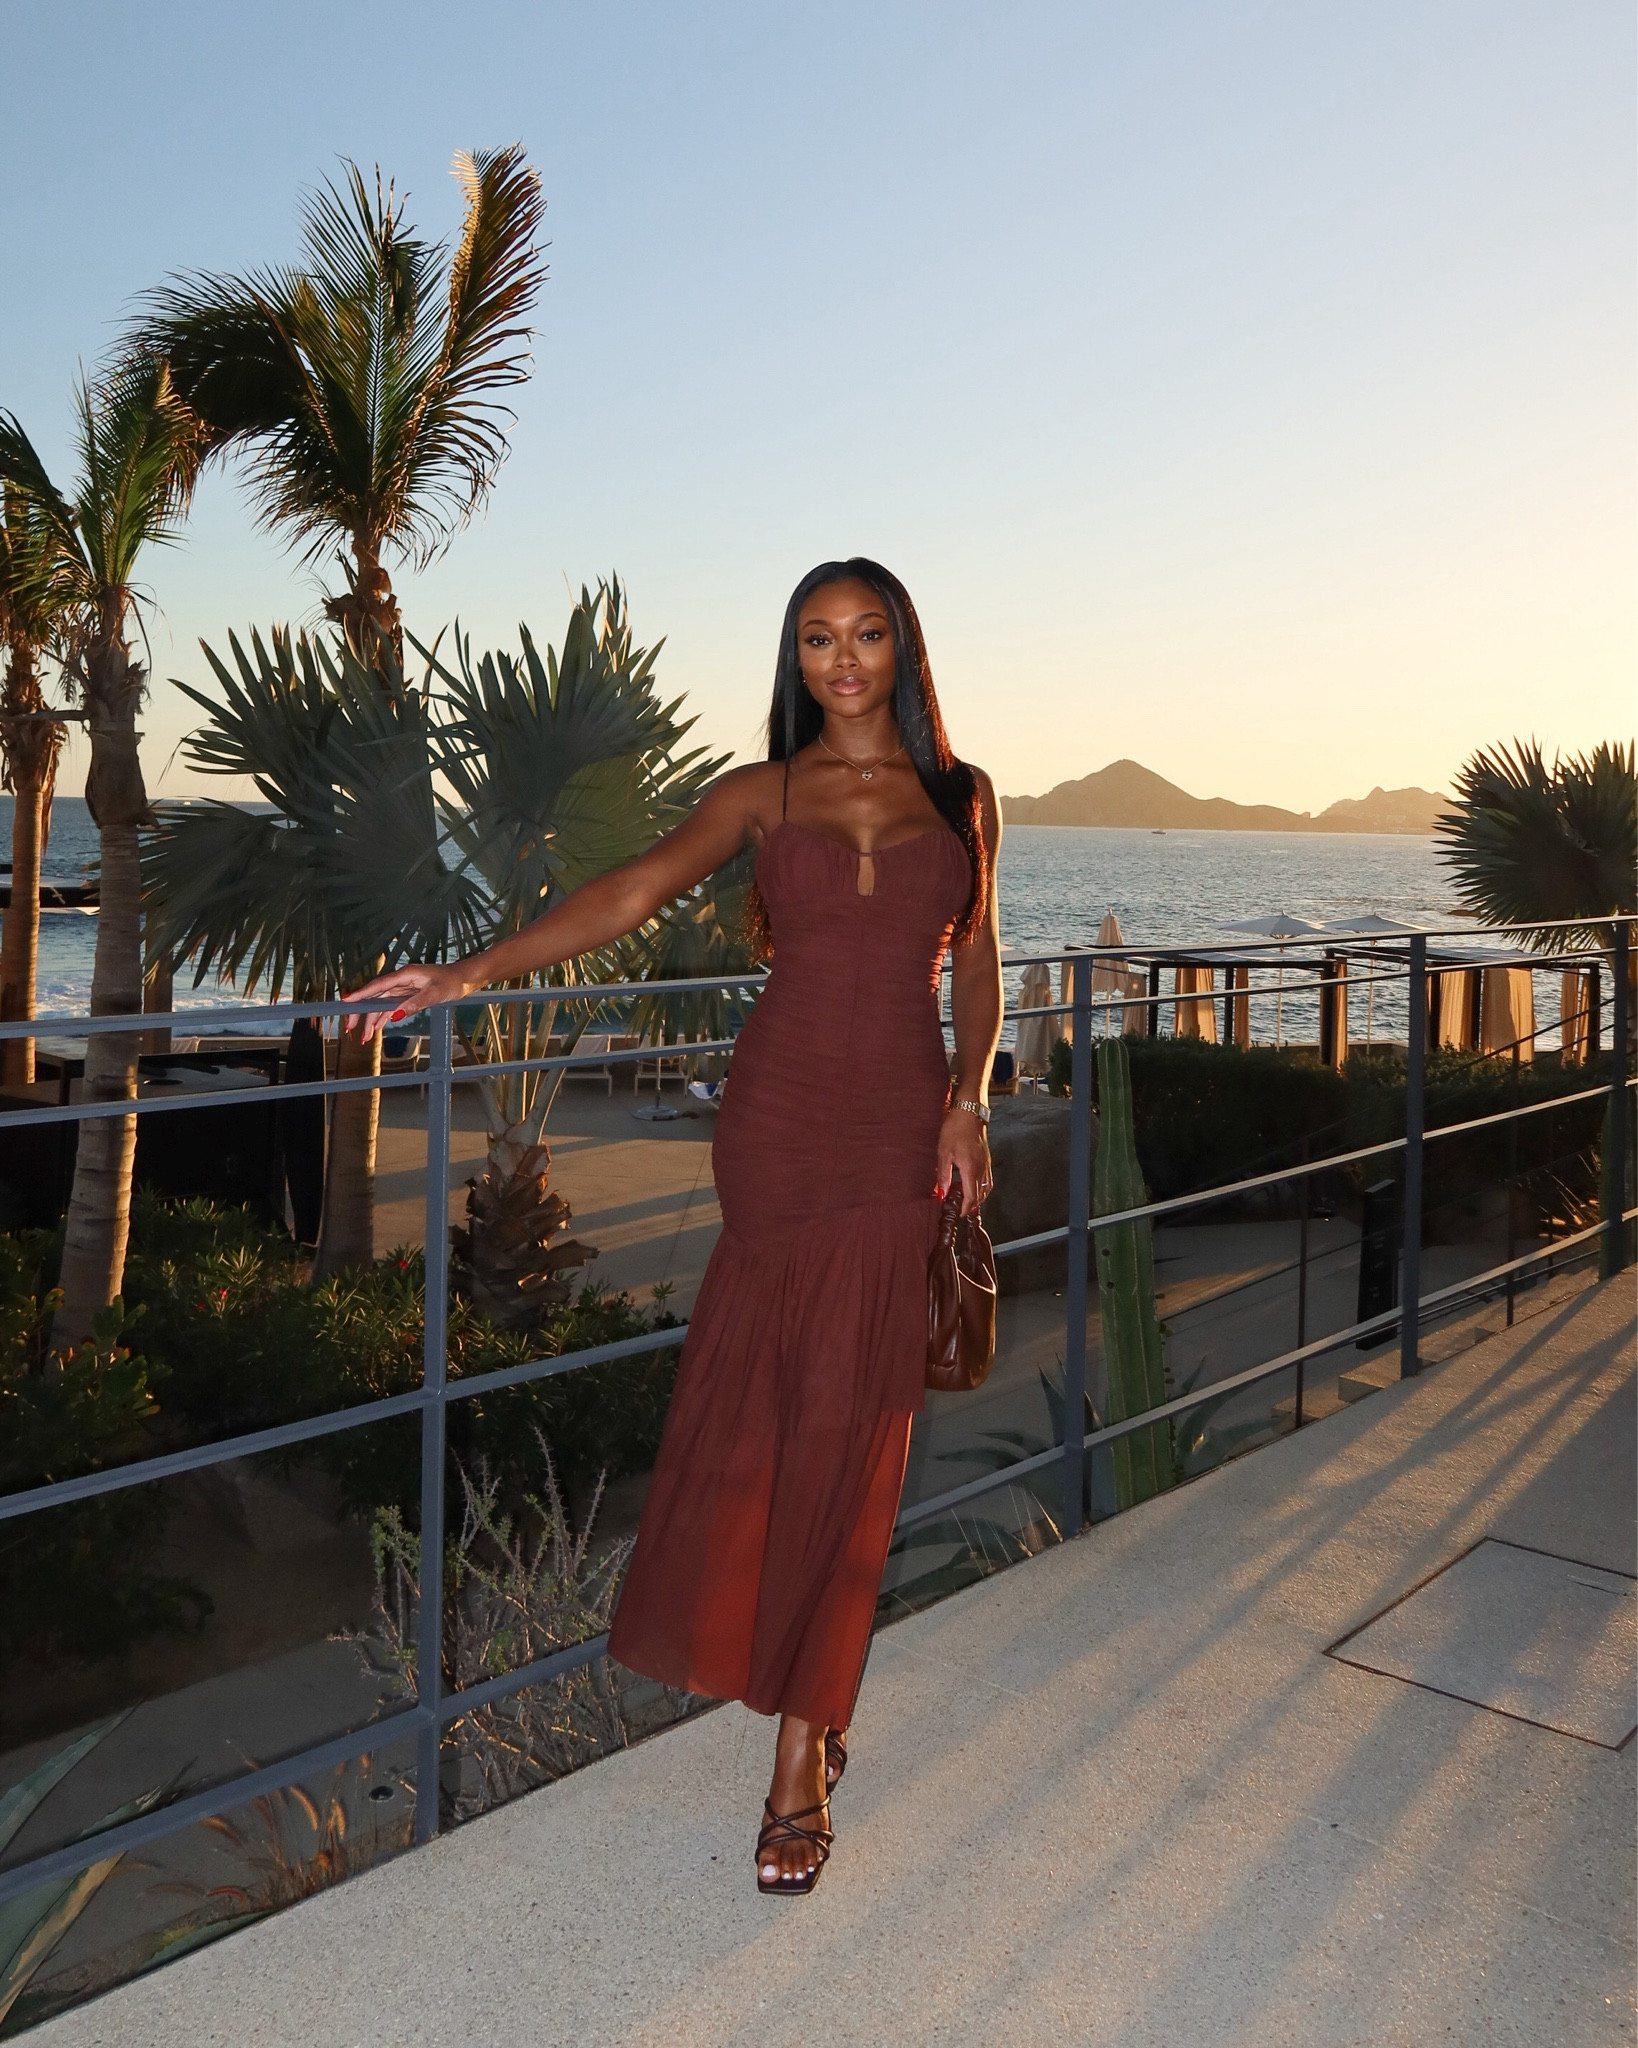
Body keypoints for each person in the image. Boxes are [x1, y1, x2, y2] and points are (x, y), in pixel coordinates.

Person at [349, 558, 1002, 1894]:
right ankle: (809, 1703)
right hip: (774, 1124)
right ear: (794, 657)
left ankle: (795, 1758)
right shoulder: (758, 795)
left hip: (893, 1130)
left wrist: (970, 1100)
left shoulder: (963, 798)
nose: (841, 658)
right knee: (780, 1409)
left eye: (865, 633)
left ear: (903, 648)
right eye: (816, 637)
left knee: (856, 1421)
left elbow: (981, 955)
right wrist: (463, 975)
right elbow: (630, 893)